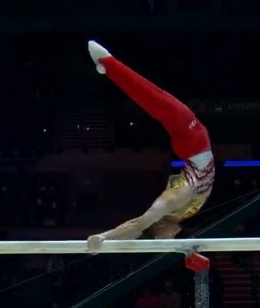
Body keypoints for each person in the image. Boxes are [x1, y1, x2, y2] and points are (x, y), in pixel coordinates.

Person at [84, 40, 214, 254]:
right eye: (171, 238)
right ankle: (108, 64)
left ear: (160, 226)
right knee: (153, 99)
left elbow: (139, 224)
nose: (170, 236)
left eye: (164, 238)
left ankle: (108, 64)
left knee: (152, 99)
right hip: (193, 144)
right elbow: (140, 226)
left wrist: (103, 237)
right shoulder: (181, 208)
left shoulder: (170, 204)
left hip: (192, 144)